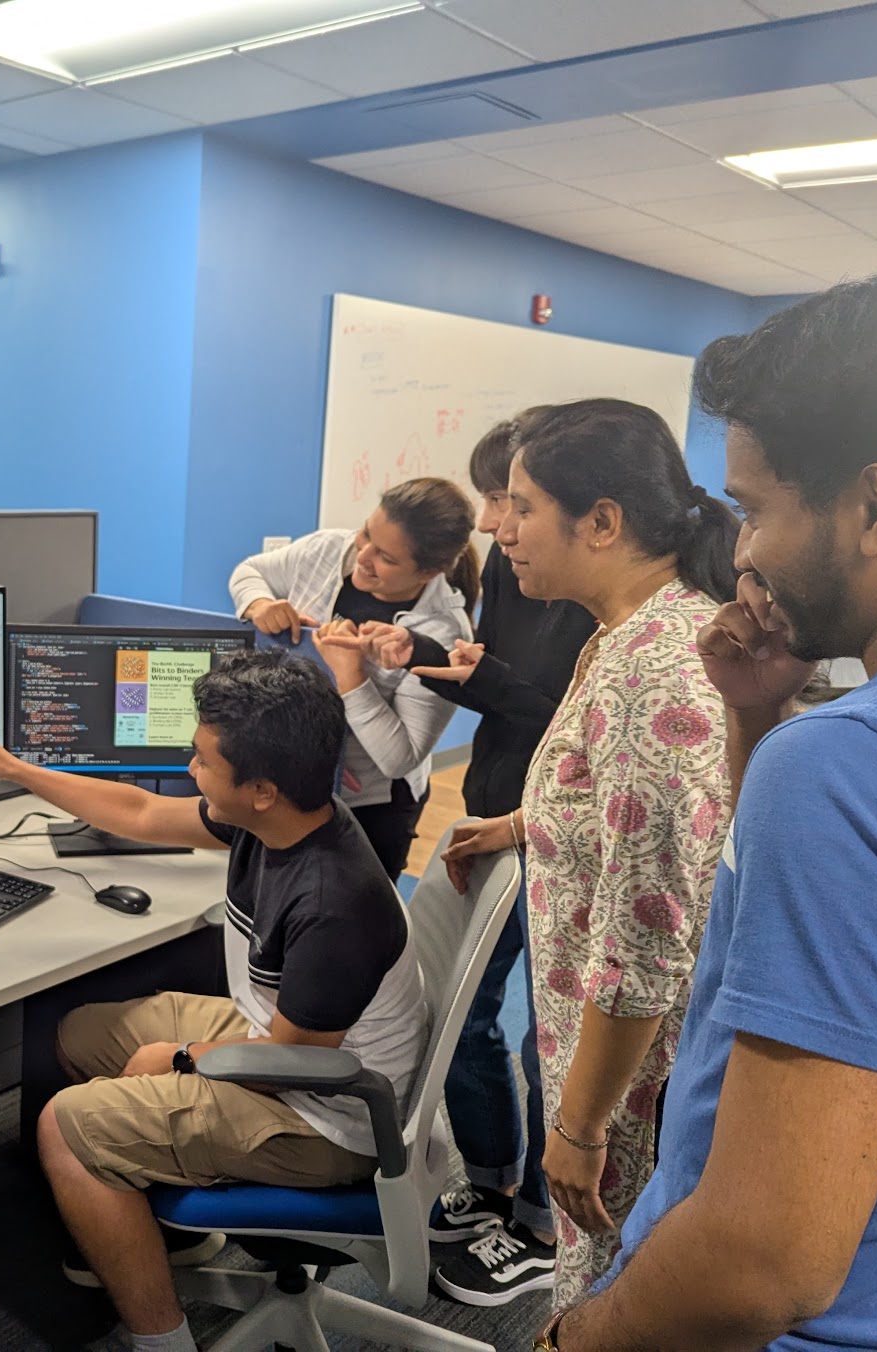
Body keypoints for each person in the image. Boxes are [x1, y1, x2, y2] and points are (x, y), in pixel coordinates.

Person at [541, 270, 877, 1350]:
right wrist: (754, 730)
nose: (739, 550)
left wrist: (564, 1341)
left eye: (755, 507)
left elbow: (755, 1261)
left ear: (873, 507)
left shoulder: (861, 765)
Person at [0, 648, 429, 1352]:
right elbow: (137, 810)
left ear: (259, 787)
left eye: (202, 759)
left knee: (65, 1129)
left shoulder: (334, 903)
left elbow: (293, 1063)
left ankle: (161, 1340)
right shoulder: (281, 815)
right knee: (82, 1032)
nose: (189, 767)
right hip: (291, 1041)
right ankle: (167, 1235)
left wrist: (181, 1059)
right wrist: (12, 767)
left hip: (329, 1116)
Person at [431, 399, 738, 1308]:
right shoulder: (625, 636)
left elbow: (647, 951)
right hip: (602, 1058)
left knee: (616, 1300)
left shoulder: (658, 671)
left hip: (628, 1089)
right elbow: (624, 815)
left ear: (601, 521)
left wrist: (581, 1124)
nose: (496, 525)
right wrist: (525, 823)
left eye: (519, 504)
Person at [326, 416, 597, 1305]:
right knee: (474, 1012)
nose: (493, 522)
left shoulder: (617, 615)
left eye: (511, 501)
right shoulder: (521, 580)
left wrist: (518, 818)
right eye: (493, 498)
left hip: (545, 829)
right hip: (499, 809)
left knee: (545, 1037)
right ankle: (491, 1182)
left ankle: (542, 1223)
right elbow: (511, 694)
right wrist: (439, 659)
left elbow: (566, 725)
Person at [229, 477, 478, 879]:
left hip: (371, 807)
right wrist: (259, 604)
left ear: (428, 571)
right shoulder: (328, 548)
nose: (363, 555)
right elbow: (249, 571)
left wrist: (351, 677)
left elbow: (398, 758)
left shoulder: (444, 635)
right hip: (290, 781)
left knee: (350, 929)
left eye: (386, 558)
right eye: (366, 534)